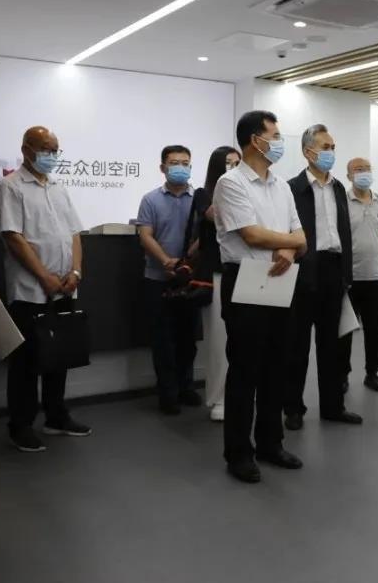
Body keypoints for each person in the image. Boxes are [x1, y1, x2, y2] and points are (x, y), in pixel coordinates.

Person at [214, 110, 306, 483]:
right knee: (245, 370)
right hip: (245, 280)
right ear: (256, 140)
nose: (280, 142)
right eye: (275, 135)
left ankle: (271, 443)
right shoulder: (230, 183)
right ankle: (239, 452)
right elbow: (251, 234)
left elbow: (302, 237)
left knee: (276, 367)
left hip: (282, 278)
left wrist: (289, 250)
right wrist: (288, 243)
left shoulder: (282, 186)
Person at [0, 126, 92, 452]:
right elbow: (13, 237)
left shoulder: (59, 188)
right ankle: (20, 425)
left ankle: (56, 416)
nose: (51, 155)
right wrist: (44, 277)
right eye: (45, 149)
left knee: (58, 356)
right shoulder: (10, 187)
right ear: (27, 149)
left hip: (64, 287)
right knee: (26, 362)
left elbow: (74, 233)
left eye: (55, 149)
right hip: (30, 290)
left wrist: (75, 271)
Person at [285, 124, 362, 429]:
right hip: (302, 270)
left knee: (333, 345)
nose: (331, 152)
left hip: (334, 270)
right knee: (297, 345)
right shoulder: (291, 188)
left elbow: (344, 234)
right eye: (325, 147)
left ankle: (333, 406)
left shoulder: (339, 188)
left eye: (333, 147)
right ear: (308, 152)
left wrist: (347, 275)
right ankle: (293, 408)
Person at [137, 146, 202, 415]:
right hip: (157, 278)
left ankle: (186, 387)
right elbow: (145, 235)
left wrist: (187, 260)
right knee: (163, 340)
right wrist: (166, 261)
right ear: (163, 168)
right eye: (174, 163)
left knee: (188, 339)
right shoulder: (150, 199)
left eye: (185, 163)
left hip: (190, 280)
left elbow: (206, 234)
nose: (180, 168)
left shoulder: (200, 199)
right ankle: (168, 393)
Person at [193, 146, 241, 422]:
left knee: (244, 339)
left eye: (238, 163)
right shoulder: (204, 194)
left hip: (245, 270)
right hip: (218, 273)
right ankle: (219, 397)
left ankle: (241, 393)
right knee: (219, 341)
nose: (234, 167)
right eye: (228, 163)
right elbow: (215, 215)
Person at [342, 157, 378, 392]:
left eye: (367, 169)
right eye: (358, 169)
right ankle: (342, 375)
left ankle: (372, 373)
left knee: (374, 330)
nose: (363, 173)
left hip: (375, 278)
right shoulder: (342, 202)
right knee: (345, 330)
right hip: (349, 279)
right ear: (348, 176)